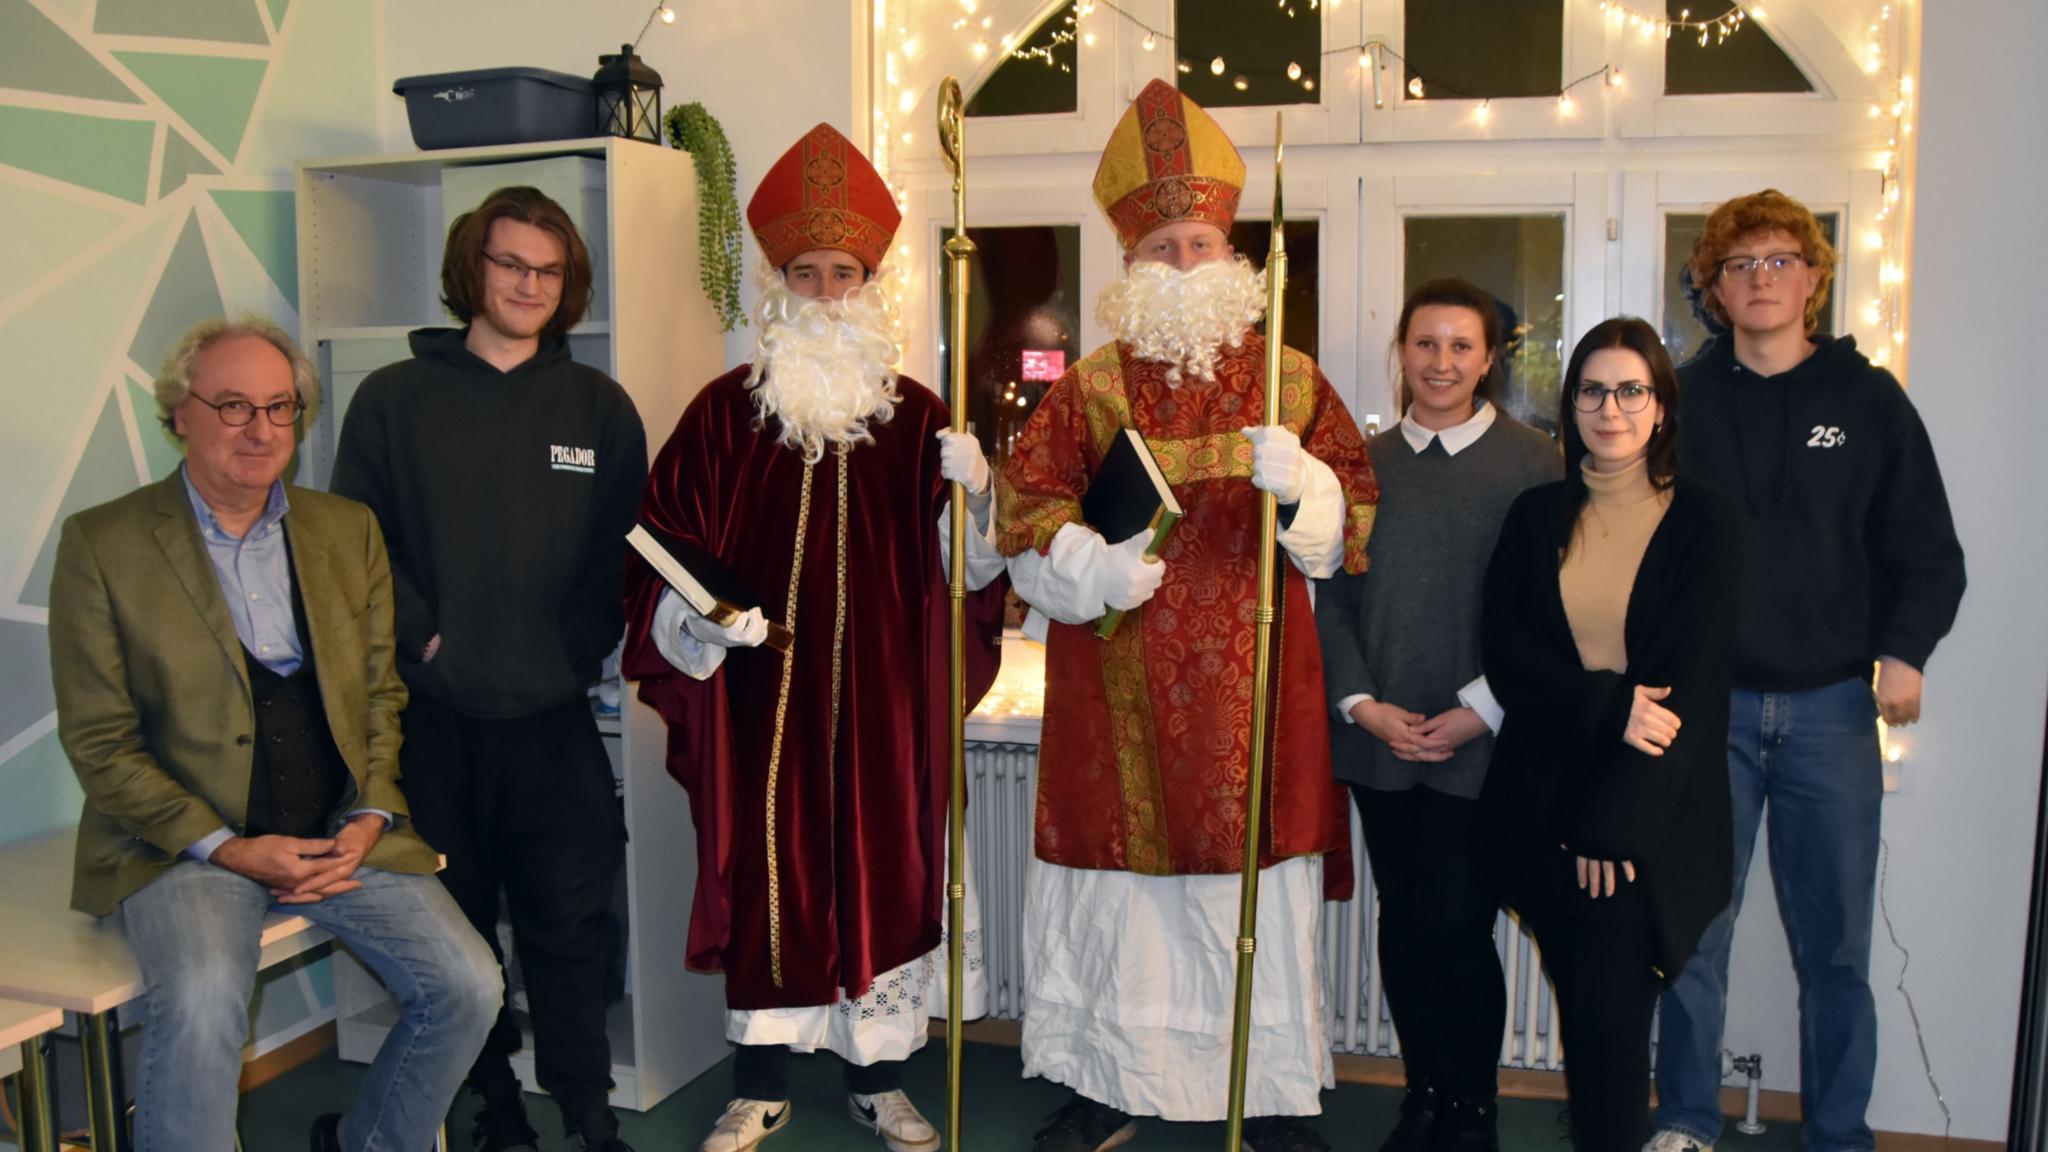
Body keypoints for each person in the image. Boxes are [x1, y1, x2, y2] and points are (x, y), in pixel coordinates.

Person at [996, 79, 1378, 1152]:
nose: (1182, 263)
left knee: (1253, 903)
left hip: (1256, 703)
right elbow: (1021, 515)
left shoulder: (1290, 383)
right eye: (1160, 245)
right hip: (1114, 693)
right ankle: (1112, 1084)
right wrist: (1085, 564)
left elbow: (1348, 529)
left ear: (1233, 254)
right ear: (1130, 260)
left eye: (1200, 242)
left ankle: (1270, 1094)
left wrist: (1303, 481)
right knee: (1119, 919)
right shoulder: (1086, 389)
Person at [620, 122, 1007, 1152]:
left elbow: (970, 580)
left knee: (883, 876)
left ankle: (877, 1081)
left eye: (845, 273)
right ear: (775, 282)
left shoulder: (923, 418)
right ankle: (759, 1081)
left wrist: (980, 502)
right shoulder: (718, 417)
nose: (827, 291)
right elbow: (660, 554)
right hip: (763, 711)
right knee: (768, 880)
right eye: (806, 272)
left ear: (871, 282)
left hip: (884, 710)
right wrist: (710, 621)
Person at [48, 316, 502, 1152]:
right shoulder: (103, 544)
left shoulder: (345, 530)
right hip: (185, 842)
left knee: (470, 986)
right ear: (178, 413)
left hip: (336, 828)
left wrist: (370, 815)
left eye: (280, 408)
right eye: (232, 406)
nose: (261, 431)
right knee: (200, 1000)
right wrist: (225, 846)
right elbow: (101, 742)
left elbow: (377, 696)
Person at [1647, 189, 1967, 1152]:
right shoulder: (1680, 402)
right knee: (1693, 939)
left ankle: (1838, 1133)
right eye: (1739, 266)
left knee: (1836, 952)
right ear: (1712, 287)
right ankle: (1687, 1121)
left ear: (1815, 279)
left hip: (1832, 711)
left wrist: (1903, 652)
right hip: (1706, 713)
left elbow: (1928, 548)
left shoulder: (1869, 401)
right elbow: (1635, 546)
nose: (1760, 280)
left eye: (1780, 260)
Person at [330, 186, 648, 1152]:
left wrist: (575, 646)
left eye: (549, 271)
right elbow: (359, 542)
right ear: (474, 268)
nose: (529, 284)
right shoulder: (393, 398)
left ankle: (592, 1122)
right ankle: (495, 1111)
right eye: (511, 264)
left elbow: (620, 552)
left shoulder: (598, 407)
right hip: (435, 725)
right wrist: (424, 642)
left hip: (552, 720)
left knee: (570, 928)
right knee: (459, 943)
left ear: (570, 286)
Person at [1478, 317, 1742, 1152]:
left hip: (1639, 823)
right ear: (1571, 404)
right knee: (1588, 1016)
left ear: (1661, 406)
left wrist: (1613, 825)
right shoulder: (1533, 516)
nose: (1611, 408)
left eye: (1632, 389)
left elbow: (1689, 697)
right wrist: (1606, 702)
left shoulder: (1707, 523)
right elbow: (1510, 657)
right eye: (1593, 390)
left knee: (1610, 1030)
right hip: (1539, 808)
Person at [1314, 278, 1559, 1152]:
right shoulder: (1362, 468)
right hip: (1381, 740)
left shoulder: (1537, 463)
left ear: (1490, 359)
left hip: (1481, 743)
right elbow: (1331, 601)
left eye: (1461, 346)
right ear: (1402, 353)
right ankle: (1423, 1095)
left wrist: (1480, 710)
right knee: (1405, 925)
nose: (1442, 363)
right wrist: (1363, 706)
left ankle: (1472, 1109)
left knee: (1458, 928)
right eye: (1426, 344)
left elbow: (1555, 611)